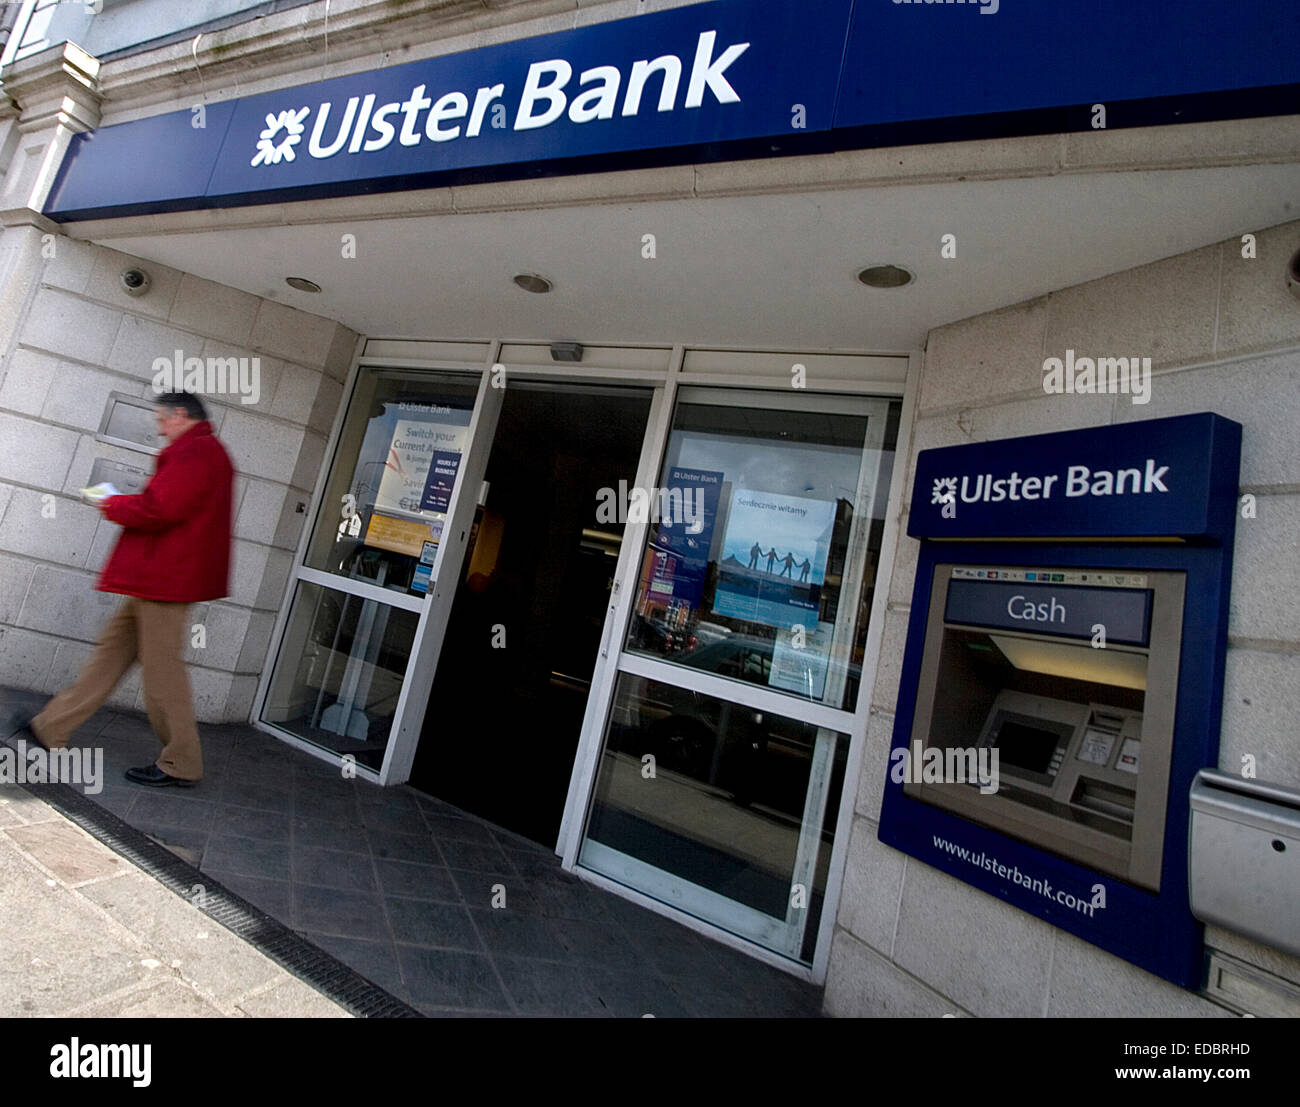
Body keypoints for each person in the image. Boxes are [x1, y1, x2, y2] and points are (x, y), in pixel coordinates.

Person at [13, 393, 235, 787]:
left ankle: (182, 763)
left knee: (162, 675)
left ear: (180, 415)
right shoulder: (202, 450)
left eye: (162, 420)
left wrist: (113, 503)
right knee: (110, 656)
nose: (159, 427)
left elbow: (159, 509)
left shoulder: (196, 453)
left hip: (165, 580)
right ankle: (50, 727)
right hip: (160, 578)